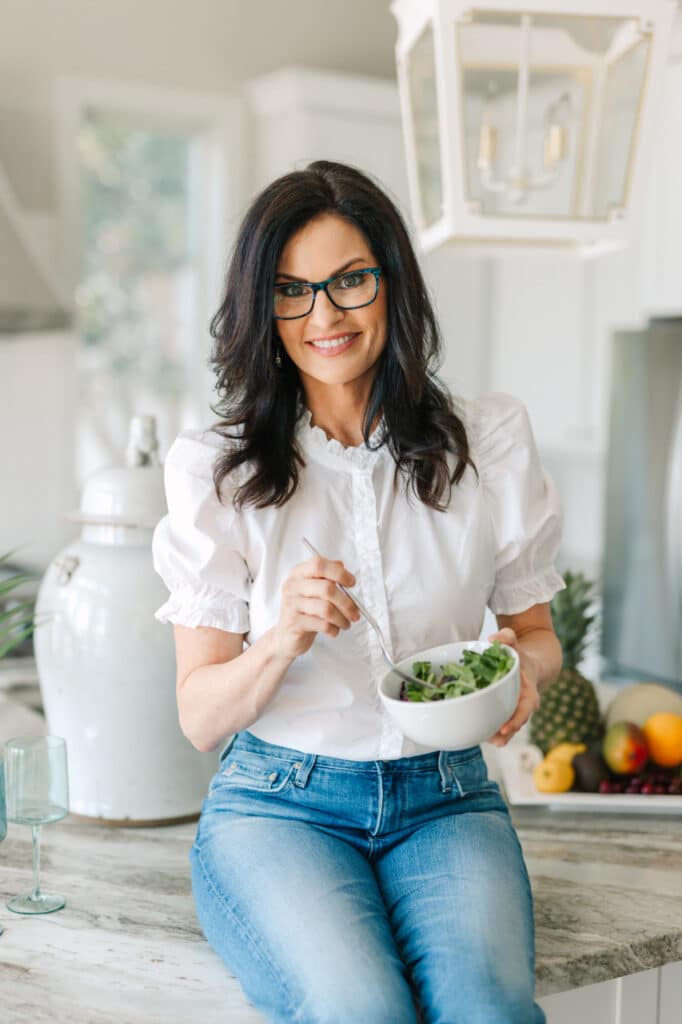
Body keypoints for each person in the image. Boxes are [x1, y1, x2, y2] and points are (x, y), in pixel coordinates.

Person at [152, 159, 564, 1024]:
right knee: (359, 1009)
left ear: (393, 285)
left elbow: (534, 632)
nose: (324, 316)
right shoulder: (218, 471)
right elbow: (199, 716)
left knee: (489, 1010)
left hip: (446, 797)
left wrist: (524, 673)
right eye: (293, 291)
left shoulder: (487, 442)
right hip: (278, 806)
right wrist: (279, 639)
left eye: (349, 281)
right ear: (265, 311)